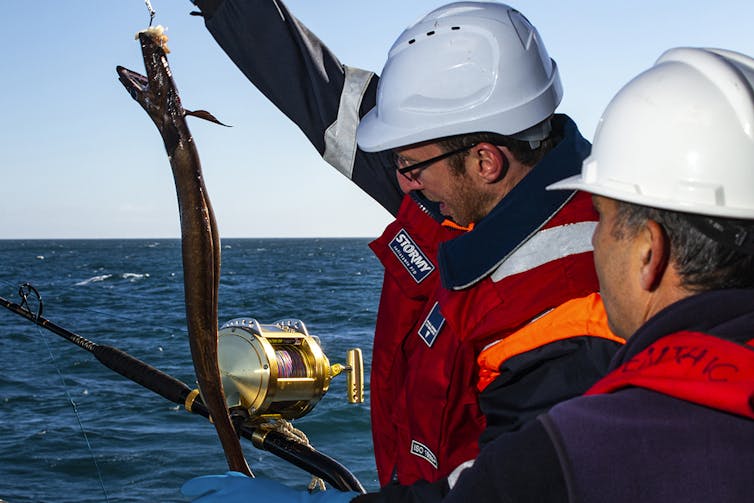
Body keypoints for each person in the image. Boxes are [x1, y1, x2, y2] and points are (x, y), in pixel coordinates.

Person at [183, 45, 754, 503]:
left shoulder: (591, 441)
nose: (593, 237)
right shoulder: (449, 198)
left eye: (602, 216)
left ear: (650, 252)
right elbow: (324, 97)